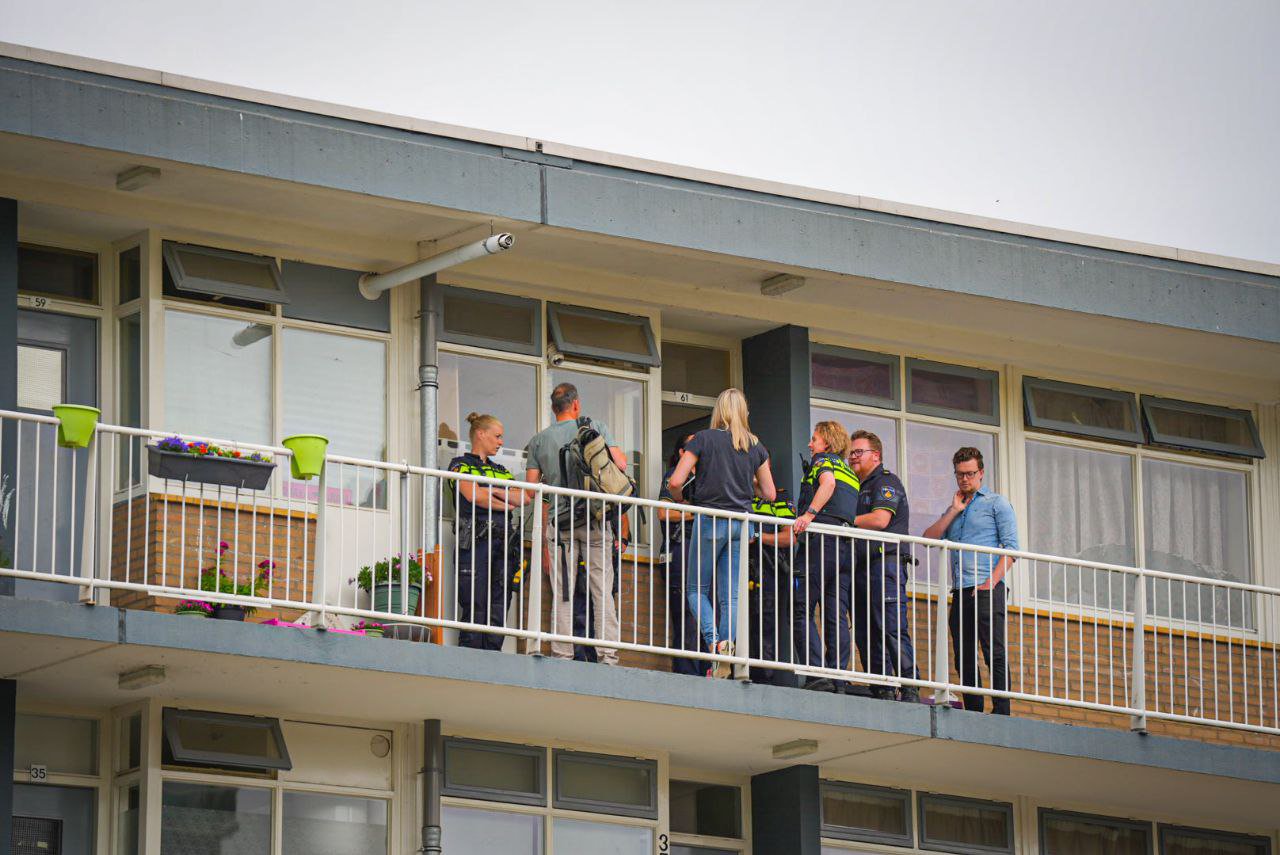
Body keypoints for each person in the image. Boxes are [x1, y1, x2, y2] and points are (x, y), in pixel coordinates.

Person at [668, 388, 775, 679]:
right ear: (743, 412)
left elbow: (676, 481)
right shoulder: (755, 445)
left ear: (719, 410)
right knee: (731, 597)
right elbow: (770, 493)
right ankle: (726, 647)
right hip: (741, 523)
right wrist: (747, 485)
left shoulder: (703, 439)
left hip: (710, 519)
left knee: (695, 590)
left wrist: (681, 501)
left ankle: (714, 643)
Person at [525, 382, 627, 665]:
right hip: (595, 519)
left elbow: (531, 488)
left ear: (553, 408)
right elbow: (620, 464)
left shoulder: (539, 440)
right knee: (602, 590)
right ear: (576, 404)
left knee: (563, 592)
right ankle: (608, 655)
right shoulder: (595, 427)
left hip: (561, 524)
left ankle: (562, 654)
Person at [922, 446, 1019, 715]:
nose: (964, 479)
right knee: (963, 655)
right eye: (959, 474)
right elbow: (928, 539)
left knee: (993, 651)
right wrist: (953, 510)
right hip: (961, 590)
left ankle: (1001, 711)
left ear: (981, 473)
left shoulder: (997, 503)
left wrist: (991, 582)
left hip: (987, 587)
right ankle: (974, 711)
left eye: (970, 473)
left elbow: (1012, 549)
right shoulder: (955, 507)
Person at [448, 413, 528, 651]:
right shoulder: (460, 464)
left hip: (504, 546)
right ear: (481, 434)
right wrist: (505, 500)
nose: (501, 442)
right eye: (498, 436)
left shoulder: (502, 470)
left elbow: (523, 497)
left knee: (500, 604)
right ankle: (470, 658)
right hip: (475, 542)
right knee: (474, 603)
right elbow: (474, 495)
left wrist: (493, 490)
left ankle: (493, 657)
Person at [849, 430, 919, 702]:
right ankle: (881, 687)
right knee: (866, 631)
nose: (853, 457)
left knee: (891, 626)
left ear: (875, 455)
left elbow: (880, 520)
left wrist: (845, 520)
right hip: (861, 567)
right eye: (851, 453)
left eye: (859, 452)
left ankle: (909, 686)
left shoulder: (886, 482)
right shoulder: (856, 486)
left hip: (884, 565)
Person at [792, 420, 860, 693]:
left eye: (814, 439)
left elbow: (827, 483)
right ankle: (838, 677)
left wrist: (809, 514)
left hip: (821, 542)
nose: (810, 445)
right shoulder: (851, 473)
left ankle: (816, 673)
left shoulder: (823, 462)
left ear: (827, 443)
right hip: (845, 546)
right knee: (835, 613)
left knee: (801, 606)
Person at [659, 435, 705, 675]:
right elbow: (664, 513)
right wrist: (694, 514)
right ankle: (687, 672)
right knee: (686, 612)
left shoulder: (707, 476)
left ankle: (707, 668)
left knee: (706, 612)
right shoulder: (674, 476)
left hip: (704, 548)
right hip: (681, 547)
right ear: (681, 453)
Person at [747, 484, 800, 688]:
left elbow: (789, 537)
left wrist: (758, 537)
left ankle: (764, 680)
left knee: (765, 625)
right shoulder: (740, 491)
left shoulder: (780, 497)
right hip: (739, 568)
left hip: (767, 570)